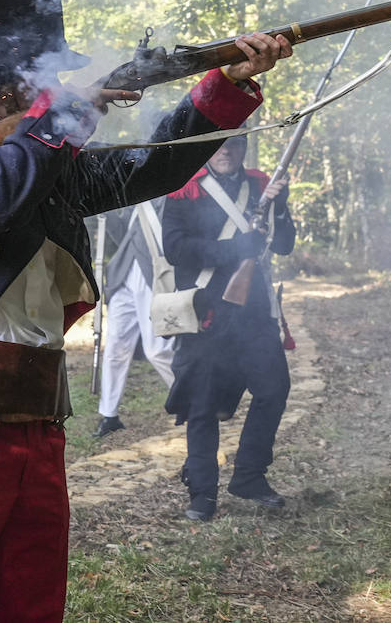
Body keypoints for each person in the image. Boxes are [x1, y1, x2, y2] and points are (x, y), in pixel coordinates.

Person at [0, 0, 291, 623]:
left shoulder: (38, 147)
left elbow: (150, 169)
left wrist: (223, 89)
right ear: (5, 80)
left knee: (31, 607)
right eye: (44, 74)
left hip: (36, 415)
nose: (56, 86)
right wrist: (62, 116)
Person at [163, 133, 295, 521]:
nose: (226, 151)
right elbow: (175, 248)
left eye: (234, 145)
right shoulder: (183, 188)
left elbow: (284, 244)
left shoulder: (260, 185)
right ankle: (203, 493)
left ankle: (250, 475)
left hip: (254, 313)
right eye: (219, 145)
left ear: (243, 149)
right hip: (205, 312)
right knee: (201, 406)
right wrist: (237, 248)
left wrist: (280, 206)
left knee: (274, 388)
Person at [91, 198, 176, 438]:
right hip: (124, 277)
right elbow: (124, 237)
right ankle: (109, 414)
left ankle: (192, 399)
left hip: (154, 276)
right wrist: (104, 213)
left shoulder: (167, 194)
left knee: (158, 349)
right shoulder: (136, 193)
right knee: (116, 347)